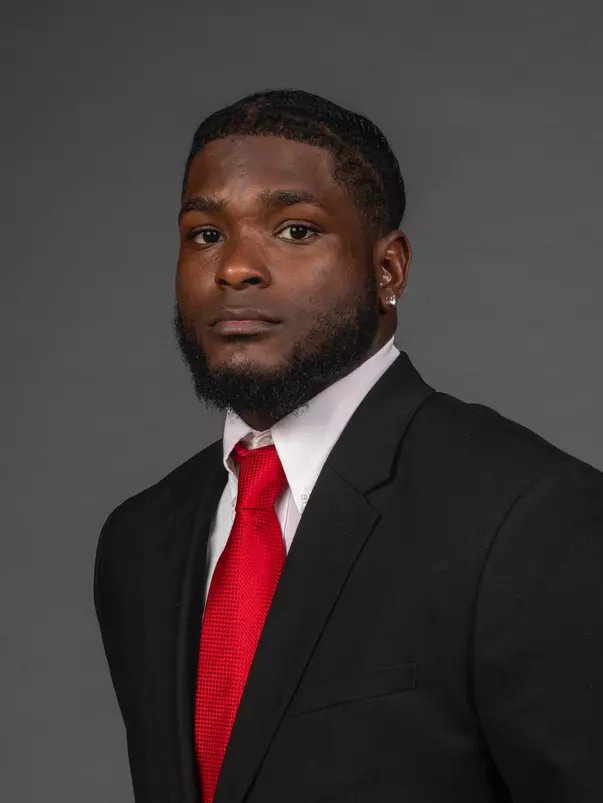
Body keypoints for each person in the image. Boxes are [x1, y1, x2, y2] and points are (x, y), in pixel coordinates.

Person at [94, 89, 603, 803]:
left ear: (388, 269)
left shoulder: (528, 518)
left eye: (295, 230)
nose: (234, 267)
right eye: (205, 233)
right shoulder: (139, 541)